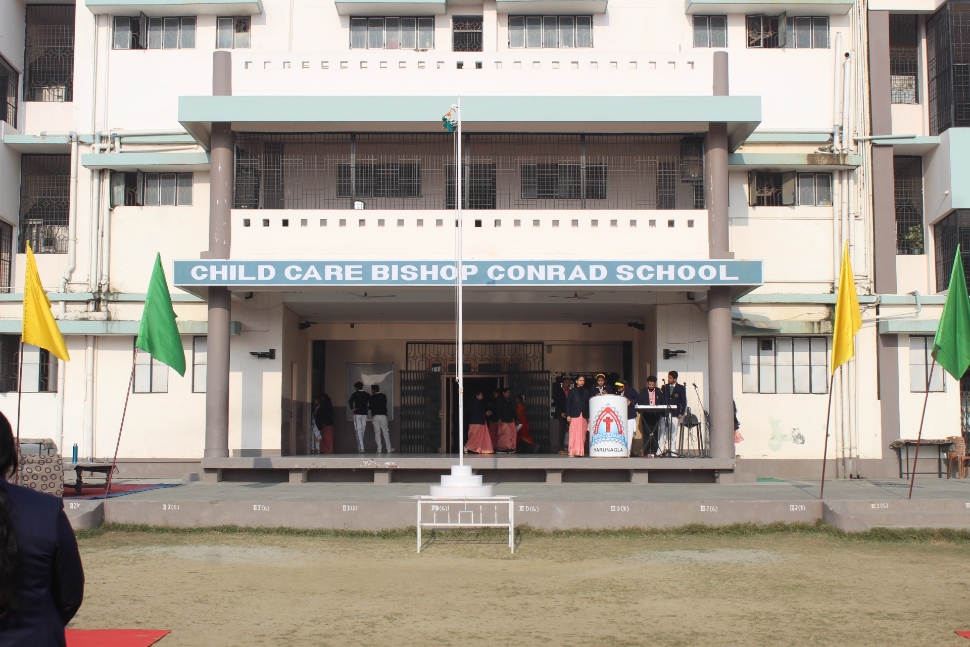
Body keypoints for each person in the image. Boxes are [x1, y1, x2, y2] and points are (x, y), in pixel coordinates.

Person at [0, 412, 84, 647]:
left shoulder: (47, 510)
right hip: (35, 635)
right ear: (10, 455)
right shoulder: (45, 510)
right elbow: (69, 596)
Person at [638, 376, 666, 457]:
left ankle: (654, 451)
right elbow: (640, 401)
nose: (651, 386)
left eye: (652, 385)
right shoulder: (643, 391)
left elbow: (663, 401)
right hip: (646, 413)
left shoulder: (658, 391)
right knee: (647, 432)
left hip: (655, 413)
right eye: (650, 385)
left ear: (655, 384)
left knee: (655, 432)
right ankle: (646, 451)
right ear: (647, 383)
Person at [661, 370, 687, 456]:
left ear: (675, 379)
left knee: (673, 432)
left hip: (675, 413)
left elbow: (683, 401)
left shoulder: (680, 388)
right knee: (663, 431)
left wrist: (681, 412)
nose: (668, 379)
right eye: (668, 377)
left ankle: (673, 451)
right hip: (665, 412)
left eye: (670, 378)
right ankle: (660, 450)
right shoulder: (664, 387)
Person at [566, 375, 591, 457]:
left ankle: (580, 452)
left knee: (582, 434)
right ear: (576, 381)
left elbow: (588, 405)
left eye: (583, 380)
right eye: (580, 380)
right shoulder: (572, 391)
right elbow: (568, 404)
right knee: (573, 433)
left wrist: (589, 416)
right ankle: (572, 451)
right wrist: (568, 415)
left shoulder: (587, 391)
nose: (582, 382)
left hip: (583, 416)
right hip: (574, 415)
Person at [465, 390, 494, 454]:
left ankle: (479, 448)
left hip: (480, 422)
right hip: (476, 422)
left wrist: (486, 413)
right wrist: (485, 414)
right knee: (474, 437)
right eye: (481, 394)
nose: (482, 396)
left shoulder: (480, 403)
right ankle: (467, 447)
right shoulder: (474, 403)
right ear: (477, 396)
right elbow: (476, 412)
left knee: (480, 437)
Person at [615, 381, 639, 454]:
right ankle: (621, 449)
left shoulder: (630, 391)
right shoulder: (617, 393)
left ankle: (628, 450)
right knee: (621, 432)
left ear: (623, 387)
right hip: (620, 416)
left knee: (629, 433)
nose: (618, 388)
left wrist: (631, 401)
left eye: (620, 387)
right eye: (617, 387)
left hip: (630, 415)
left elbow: (639, 398)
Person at [369, 385, 394, 453]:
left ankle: (379, 449)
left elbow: (370, 407)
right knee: (385, 432)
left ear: (374, 390)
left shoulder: (372, 397)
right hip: (383, 415)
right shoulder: (383, 396)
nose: (371, 391)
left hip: (375, 416)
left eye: (372, 390)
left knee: (377, 433)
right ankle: (389, 448)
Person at [348, 381, 370, 453]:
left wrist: (352, 408)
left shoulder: (355, 394)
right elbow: (372, 400)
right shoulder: (366, 394)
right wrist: (368, 407)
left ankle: (361, 447)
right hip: (365, 413)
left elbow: (350, 401)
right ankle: (359, 446)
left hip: (357, 413)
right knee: (362, 430)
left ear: (356, 388)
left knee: (358, 430)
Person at [551, 376, 571, 455]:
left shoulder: (571, 391)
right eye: (566, 382)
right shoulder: (558, 391)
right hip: (562, 414)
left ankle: (571, 447)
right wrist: (560, 412)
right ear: (563, 383)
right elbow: (556, 403)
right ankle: (561, 449)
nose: (568, 384)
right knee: (562, 432)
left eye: (569, 383)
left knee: (571, 431)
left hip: (570, 414)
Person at [495, 387, 517, 453]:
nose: (508, 394)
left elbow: (512, 411)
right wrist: (499, 418)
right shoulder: (500, 400)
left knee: (510, 434)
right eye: (507, 392)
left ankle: (509, 447)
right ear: (503, 393)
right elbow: (498, 410)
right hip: (503, 421)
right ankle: (504, 448)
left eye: (509, 392)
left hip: (510, 420)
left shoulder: (509, 401)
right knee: (505, 435)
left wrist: (515, 419)